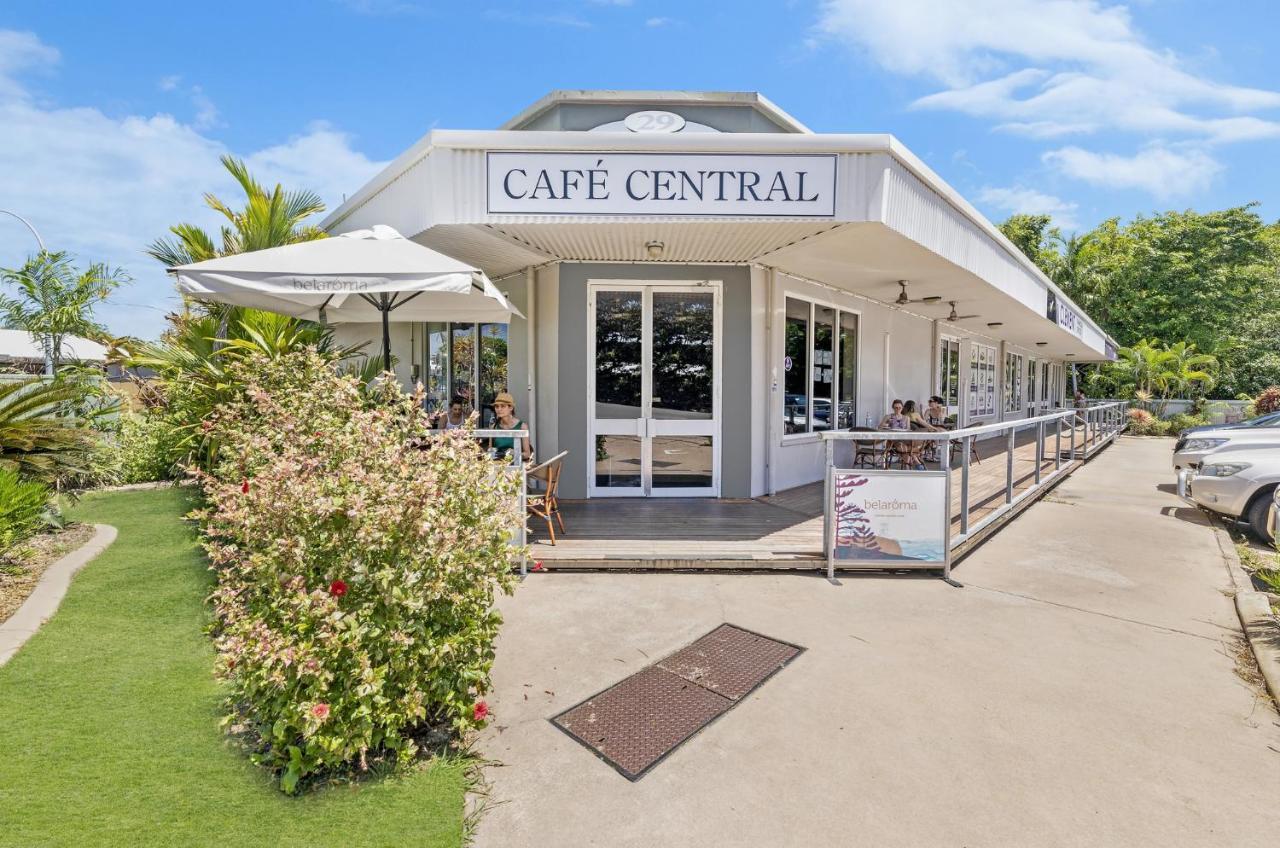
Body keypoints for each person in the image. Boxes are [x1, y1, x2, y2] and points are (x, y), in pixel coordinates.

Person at [487, 392, 532, 463]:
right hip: (498, 467)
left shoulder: (522, 427)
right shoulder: (494, 427)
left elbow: (527, 454)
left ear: (511, 407)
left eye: (502, 406)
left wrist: (516, 453)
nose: (499, 409)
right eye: (497, 406)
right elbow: (490, 451)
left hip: (516, 468)